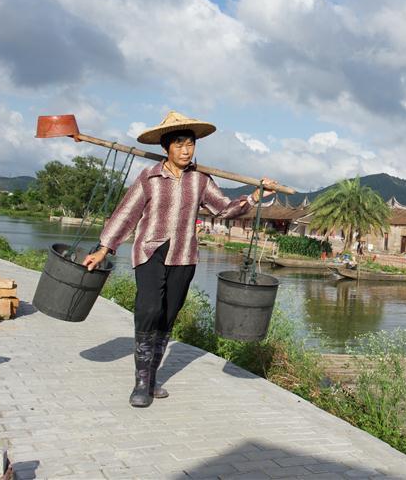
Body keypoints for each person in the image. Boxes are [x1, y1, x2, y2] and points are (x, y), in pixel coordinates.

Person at [82, 111, 277, 408]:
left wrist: (253, 197)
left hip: (184, 255)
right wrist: (103, 248)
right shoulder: (149, 178)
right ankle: (140, 383)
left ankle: (152, 378)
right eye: (179, 145)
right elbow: (126, 214)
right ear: (165, 149)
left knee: (167, 315)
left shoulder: (200, 180)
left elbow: (223, 209)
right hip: (150, 251)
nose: (186, 150)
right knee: (148, 310)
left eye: (190, 144)